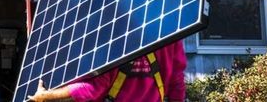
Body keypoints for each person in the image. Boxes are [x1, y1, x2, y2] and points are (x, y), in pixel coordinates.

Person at [28, 40, 187, 102]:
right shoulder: (171, 34)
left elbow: (92, 89)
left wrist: (49, 96)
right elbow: (177, 81)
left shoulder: (113, 37)